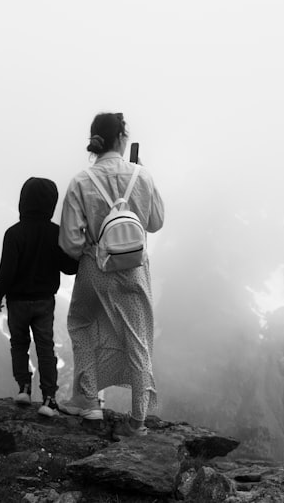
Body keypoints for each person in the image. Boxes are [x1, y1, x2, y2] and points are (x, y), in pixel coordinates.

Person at [58, 112, 165, 437]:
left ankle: (88, 399)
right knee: (137, 338)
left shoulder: (80, 181)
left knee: (83, 323)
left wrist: (91, 249)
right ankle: (138, 421)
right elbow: (156, 222)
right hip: (134, 270)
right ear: (122, 138)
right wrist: (142, 173)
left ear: (95, 140)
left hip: (96, 268)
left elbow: (70, 242)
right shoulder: (142, 177)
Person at [0, 177, 79, 417]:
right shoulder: (55, 233)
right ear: (51, 204)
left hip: (17, 302)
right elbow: (68, 267)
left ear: (23, 201)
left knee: (19, 344)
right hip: (44, 302)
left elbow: (6, 270)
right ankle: (49, 399)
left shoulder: (13, 234)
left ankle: (24, 388)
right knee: (45, 348)